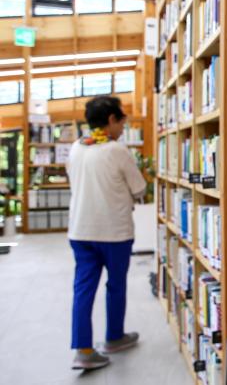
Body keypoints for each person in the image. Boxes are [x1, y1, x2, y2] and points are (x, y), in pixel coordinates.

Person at [66, 96, 147, 370]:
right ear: (111, 120)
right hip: (114, 233)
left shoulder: (75, 149)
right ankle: (114, 337)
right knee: (116, 286)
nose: (123, 127)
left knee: (83, 289)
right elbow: (139, 189)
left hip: (80, 231)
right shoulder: (117, 150)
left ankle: (84, 350)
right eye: (122, 121)